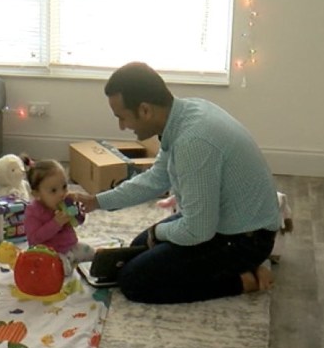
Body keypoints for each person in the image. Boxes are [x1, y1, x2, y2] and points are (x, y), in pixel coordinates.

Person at [72, 61, 281, 304]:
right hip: (224, 223)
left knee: (134, 282)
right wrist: (96, 202)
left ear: (145, 110)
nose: (122, 126)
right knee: (138, 247)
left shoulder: (193, 142)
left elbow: (197, 230)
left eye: (122, 117)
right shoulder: (184, 114)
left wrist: (157, 231)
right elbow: (156, 179)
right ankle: (234, 267)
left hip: (246, 240)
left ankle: (241, 280)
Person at [23, 159, 95, 275]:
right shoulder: (33, 212)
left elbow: (77, 223)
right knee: (63, 270)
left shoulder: (63, 203)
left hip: (70, 246)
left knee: (92, 254)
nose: (62, 193)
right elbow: (34, 239)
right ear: (37, 194)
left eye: (64, 187)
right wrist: (56, 223)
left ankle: (74, 260)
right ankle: (66, 264)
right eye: (53, 190)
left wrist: (78, 213)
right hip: (50, 251)